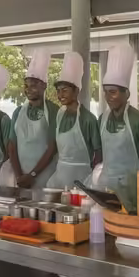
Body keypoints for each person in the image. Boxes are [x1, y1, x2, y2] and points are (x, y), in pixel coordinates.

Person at [97, 45, 139, 211]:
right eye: (106, 92)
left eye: (113, 92)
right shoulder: (102, 119)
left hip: (131, 194)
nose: (108, 97)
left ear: (126, 94)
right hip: (104, 188)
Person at [46, 52, 101, 189]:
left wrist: (94, 179)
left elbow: (99, 152)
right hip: (59, 176)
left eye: (65, 90)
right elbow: (54, 147)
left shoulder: (88, 119)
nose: (60, 95)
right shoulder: (59, 115)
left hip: (81, 179)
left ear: (76, 91)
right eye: (58, 91)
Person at [7, 50, 58, 189]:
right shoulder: (18, 112)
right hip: (21, 177)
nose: (29, 89)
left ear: (44, 86)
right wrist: (19, 176)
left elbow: (52, 148)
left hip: (45, 175)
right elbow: (11, 147)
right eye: (26, 85)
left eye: (34, 85)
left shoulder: (53, 111)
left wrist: (32, 175)